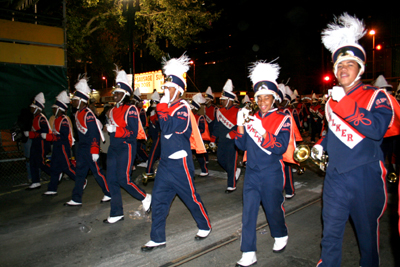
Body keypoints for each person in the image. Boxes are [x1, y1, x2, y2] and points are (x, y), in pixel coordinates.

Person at [314, 13, 397, 266]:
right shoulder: (331, 101)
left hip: (365, 176)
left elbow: (376, 130)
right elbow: (332, 131)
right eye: (339, 65)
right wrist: (320, 145)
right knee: (330, 234)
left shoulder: (377, 96)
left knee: (367, 237)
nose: (342, 69)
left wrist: (346, 104)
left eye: (349, 64)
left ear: (360, 68)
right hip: (336, 176)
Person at [141, 53, 211, 251]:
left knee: (191, 198)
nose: (165, 90)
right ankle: (157, 238)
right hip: (165, 164)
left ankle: (205, 225)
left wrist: (162, 107)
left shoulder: (183, 108)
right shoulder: (167, 107)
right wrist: (163, 107)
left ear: (178, 90)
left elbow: (169, 127)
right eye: (164, 87)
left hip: (180, 164)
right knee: (159, 200)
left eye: (169, 87)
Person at [234, 60, 291, 267]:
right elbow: (241, 145)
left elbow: (280, 147)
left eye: (267, 97)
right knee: (248, 213)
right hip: (252, 173)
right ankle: (248, 251)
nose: (263, 101)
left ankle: (280, 232)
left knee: (272, 208)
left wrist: (260, 129)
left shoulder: (283, 118)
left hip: (272, 171)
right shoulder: (251, 117)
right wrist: (241, 125)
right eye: (259, 97)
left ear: (274, 98)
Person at [103, 69, 151, 224]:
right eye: (114, 92)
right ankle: (116, 212)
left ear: (124, 94)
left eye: (117, 93)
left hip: (126, 147)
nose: (114, 95)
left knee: (124, 179)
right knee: (111, 180)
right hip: (113, 148)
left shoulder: (131, 109)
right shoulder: (112, 110)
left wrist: (115, 130)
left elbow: (132, 132)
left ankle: (145, 196)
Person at [64, 76, 111, 206]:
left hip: (91, 149)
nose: (72, 102)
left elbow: (94, 133)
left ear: (81, 101)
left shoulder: (88, 114)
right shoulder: (78, 113)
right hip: (83, 149)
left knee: (98, 173)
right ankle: (76, 198)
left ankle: (109, 192)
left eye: (75, 100)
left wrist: (95, 150)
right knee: (80, 173)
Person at [42, 91, 77, 195]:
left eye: (54, 108)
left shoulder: (64, 120)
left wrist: (49, 137)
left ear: (58, 109)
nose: (52, 110)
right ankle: (52, 188)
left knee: (67, 167)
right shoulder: (57, 119)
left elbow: (63, 136)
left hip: (62, 147)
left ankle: (81, 180)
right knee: (54, 168)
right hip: (57, 147)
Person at [210, 79, 241, 193]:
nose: (221, 101)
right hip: (222, 141)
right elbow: (216, 126)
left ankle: (231, 185)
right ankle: (234, 172)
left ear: (229, 100)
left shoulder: (238, 111)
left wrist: (233, 133)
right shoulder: (219, 111)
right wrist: (213, 139)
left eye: (223, 100)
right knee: (221, 159)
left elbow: (242, 127)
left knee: (231, 162)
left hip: (233, 142)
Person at [24, 92, 51, 190]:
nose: (31, 108)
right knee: (33, 162)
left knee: (40, 162)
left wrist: (31, 134)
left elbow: (44, 132)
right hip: (36, 142)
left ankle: (54, 173)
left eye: (33, 107)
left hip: (41, 143)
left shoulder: (41, 118)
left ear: (37, 108)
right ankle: (35, 181)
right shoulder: (35, 118)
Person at [190, 92, 210, 176]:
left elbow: (201, 129)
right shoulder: (189, 115)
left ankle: (204, 170)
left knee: (200, 156)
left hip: (198, 139)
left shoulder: (200, 117)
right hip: (190, 139)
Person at [143, 91, 161, 180]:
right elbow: (150, 126)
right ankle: (150, 171)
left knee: (154, 155)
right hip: (156, 137)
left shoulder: (159, 114)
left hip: (159, 137)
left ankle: (149, 171)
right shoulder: (153, 113)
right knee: (155, 155)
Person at [133, 88, 149, 167]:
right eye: (140, 102)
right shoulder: (135, 109)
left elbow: (143, 122)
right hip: (135, 131)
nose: (142, 103)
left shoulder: (141, 110)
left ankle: (147, 159)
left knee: (139, 147)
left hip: (139, 131)